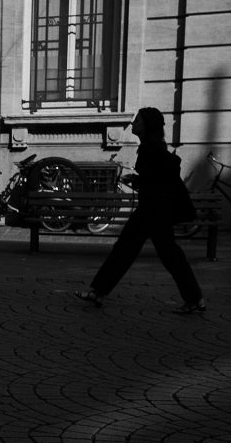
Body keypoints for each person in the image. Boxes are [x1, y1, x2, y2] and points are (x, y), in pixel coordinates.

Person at [75, 107, 205, 314]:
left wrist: (137, 180)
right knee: (168, 255)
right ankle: (195, 298)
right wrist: (138, 180)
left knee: (126, 251)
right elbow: (158, 178)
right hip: (156, 211)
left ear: (146, 126)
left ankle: (98, 291)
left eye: (138, 121)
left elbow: (156, 180)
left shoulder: (149, 149)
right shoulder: (153, 147)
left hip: (151, 211)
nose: (134, 124)